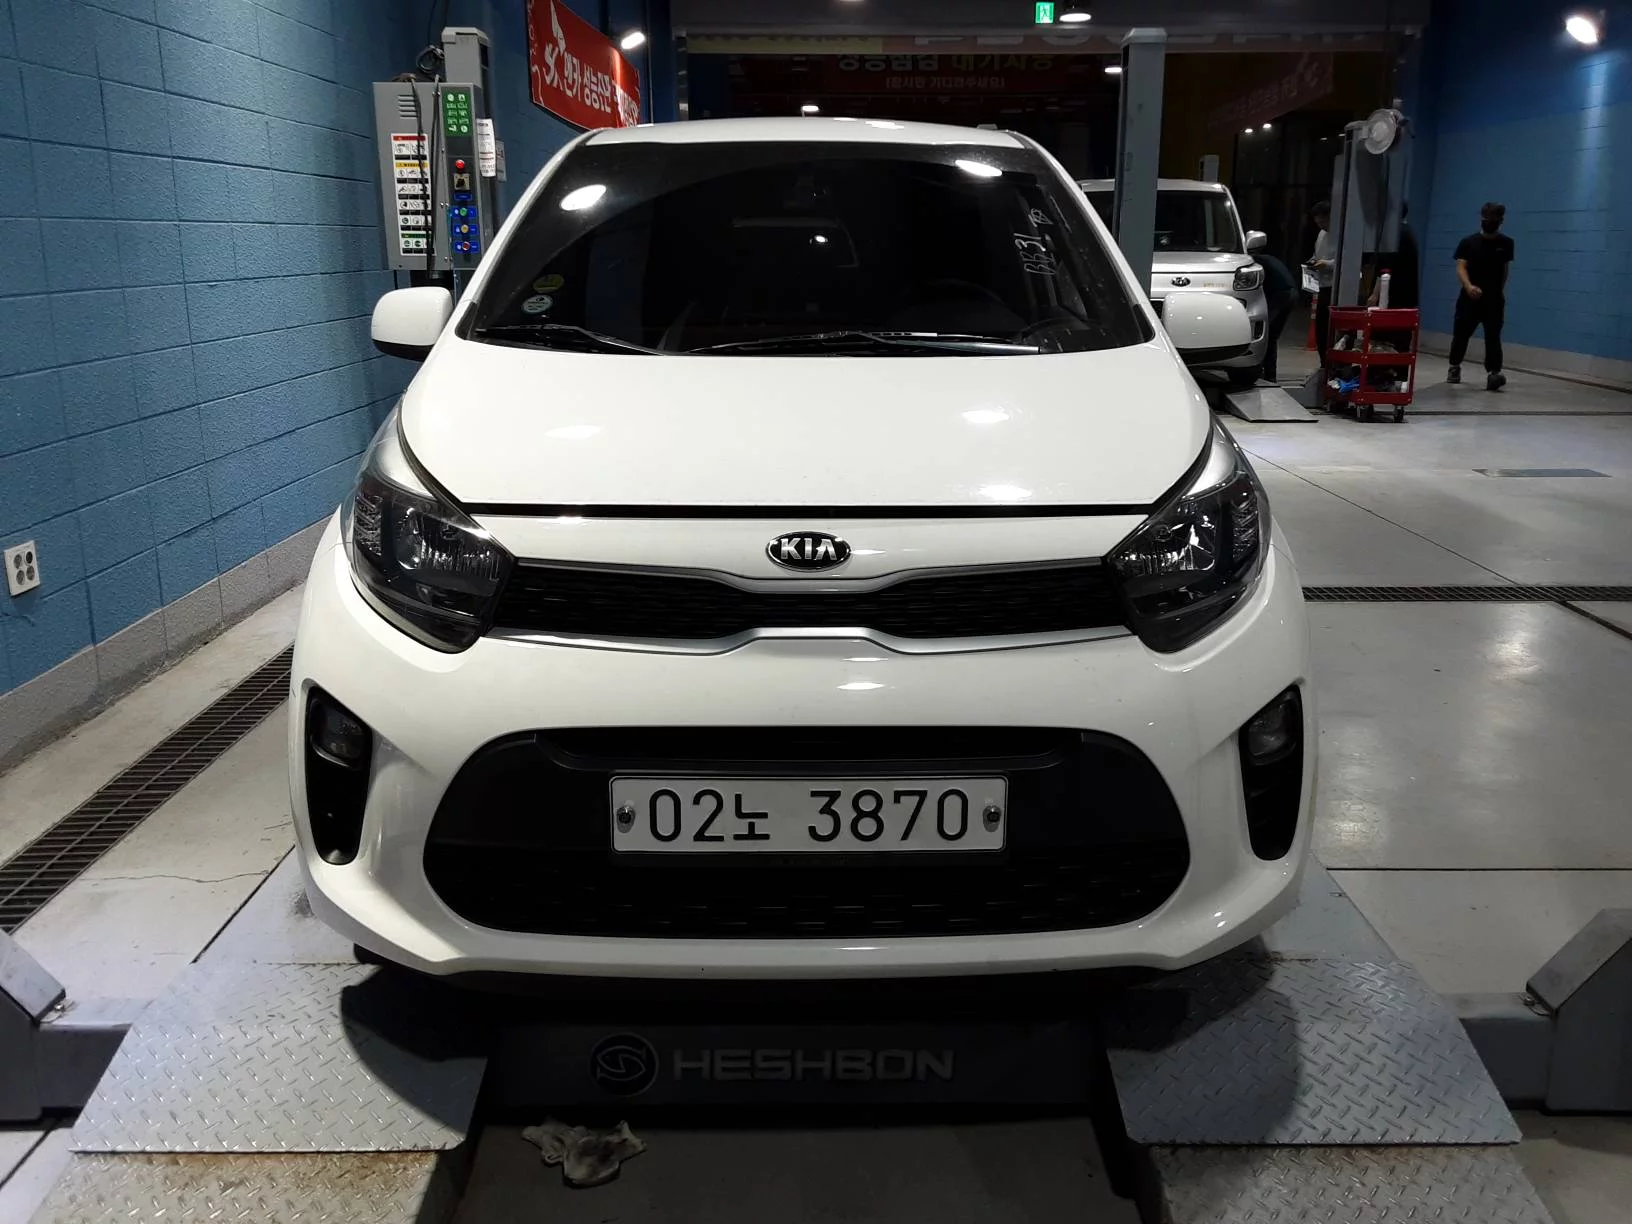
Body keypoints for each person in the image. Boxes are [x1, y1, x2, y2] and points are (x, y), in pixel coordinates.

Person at [1447, 202, 1515, 391]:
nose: (1489, 222)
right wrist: (1468, 286)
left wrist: (1498, 291)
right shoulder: (1468, 243)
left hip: (1493, 299)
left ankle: (1494, 372)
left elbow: (1504, 270)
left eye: (1493, 219)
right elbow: (1461, 266)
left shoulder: (1506, 244)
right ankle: (1454, 366)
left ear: (1500, 221)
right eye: (1486, 219)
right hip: (1469, 297)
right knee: (1461, 334)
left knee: (1493, 336)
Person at [1368, 202, 1420, 309]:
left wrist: (1375, 294)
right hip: (1407, 297)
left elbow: (1384, 267)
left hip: (1393, 296)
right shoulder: (1408, 233)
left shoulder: (1394, 235)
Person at [1258, 248, 1297, 383]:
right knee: (1271, 335)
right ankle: (1269, 374)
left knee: (1266, 334)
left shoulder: (1254, 263)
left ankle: (1266, 373)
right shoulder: (1267, 259)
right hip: (1290, 294)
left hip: (1281, 295)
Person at [1306, 201, 1334, 363]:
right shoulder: (1321, 234)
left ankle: (1334, 363)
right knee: (1321, 328)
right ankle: (1324, 361)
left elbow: (1347, 261)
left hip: (1336, 286)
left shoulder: (1342, 234)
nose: (1321, 225)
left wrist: (1327, 264)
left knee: (1332, 327)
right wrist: (1313, 261)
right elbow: (1317, 255)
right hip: (1322, 285)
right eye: (1318, 223)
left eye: (1323, 221)